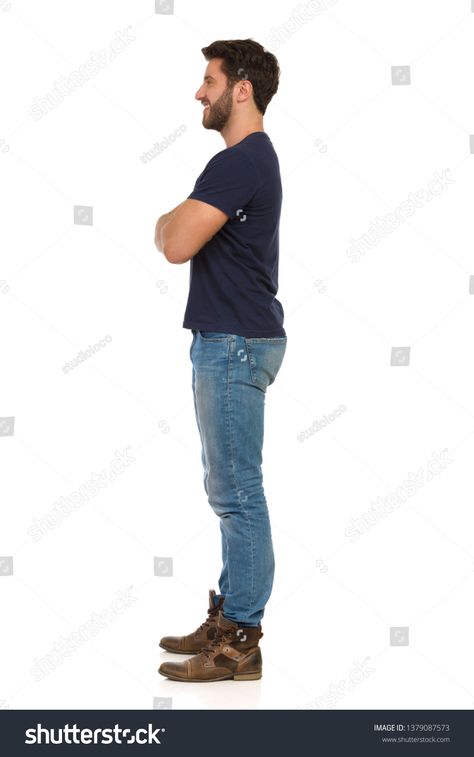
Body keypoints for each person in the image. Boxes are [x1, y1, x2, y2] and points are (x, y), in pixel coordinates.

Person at [154, 39, 287, 682]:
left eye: (209, 80)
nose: (198, 92)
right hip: (233, 337)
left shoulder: (239, 163)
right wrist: (172, 222)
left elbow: (175, 242)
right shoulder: (244, 162)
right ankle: (230, 612)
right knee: (229, 489)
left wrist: (166, 220)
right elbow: (180, 236)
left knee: (237, 494)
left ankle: (242, 639)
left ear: (242, 89)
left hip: (233, 340)